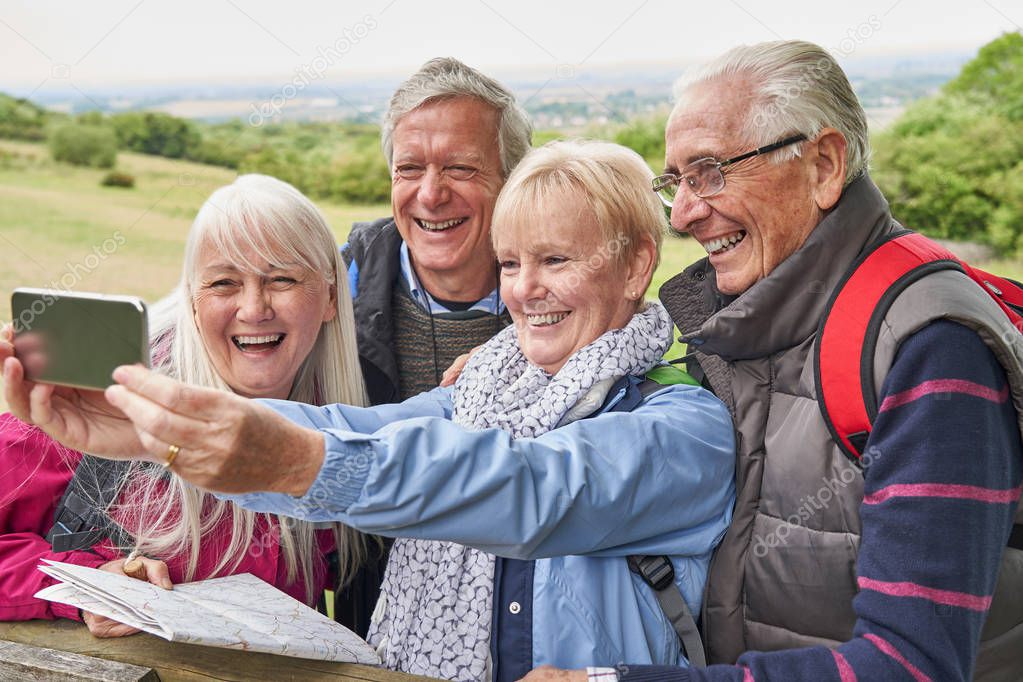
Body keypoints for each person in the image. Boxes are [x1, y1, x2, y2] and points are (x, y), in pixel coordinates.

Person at [2, 140, 736, 679]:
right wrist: (152, 433)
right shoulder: (477, 394)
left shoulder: (682, 429)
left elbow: (530, 489)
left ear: (637, 264)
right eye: (510, 264)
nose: (523, 290)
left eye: (555, 260)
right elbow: (358, 432)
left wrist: (294, 461)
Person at [523, 40, 1023, 682]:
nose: (682, 213)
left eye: (709, 171)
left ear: (822, 166)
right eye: (675, 181)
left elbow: (911, 665)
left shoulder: (931, 348)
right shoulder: (750, 315)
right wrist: (518, 364)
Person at [0, 173, 369, 637]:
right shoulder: (108, 400)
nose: (254, 308)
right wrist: (87, 584)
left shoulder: (342, 435)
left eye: (283, 278)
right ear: (193, 302)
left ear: (332, 296)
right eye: (223, 283)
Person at [344, 57, 531, 405]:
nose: (431, 195)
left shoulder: (568, 298)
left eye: (460, 168)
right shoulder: (334, 288)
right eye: (410, 169)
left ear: (512, 181)